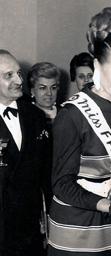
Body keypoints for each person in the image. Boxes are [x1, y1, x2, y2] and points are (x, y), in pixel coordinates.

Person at [47, 7, 111, 255]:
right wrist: (108, 205)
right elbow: (61, 184)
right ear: (96, 65)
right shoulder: (72, 115)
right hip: (75, 229)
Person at [0, 50, 50, 255]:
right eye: (8, 75)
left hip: (30, 228)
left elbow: (47, 172)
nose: (19, 80)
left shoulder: (36, 116)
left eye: (19, 73)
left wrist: (48, 217)